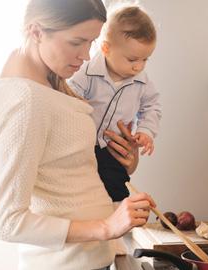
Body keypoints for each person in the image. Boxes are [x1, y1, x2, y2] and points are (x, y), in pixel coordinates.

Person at [0, 1, 155, 269]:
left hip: (87, 260)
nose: (86, 55)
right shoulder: (25, 100)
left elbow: (65, 175)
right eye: (77, 42)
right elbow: (9, 222)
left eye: (91, 42)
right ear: (37, 31)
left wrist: (126, 163)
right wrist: (105, 227)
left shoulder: (49, 82)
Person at [68, 5, 161, 254]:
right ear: (106, 48)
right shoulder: (86, 72)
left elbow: (152, 106)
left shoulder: (141, 81)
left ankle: (118, 234)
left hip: (112, 146)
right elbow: (68, 97)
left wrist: (147, 132)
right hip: (85, 144)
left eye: (145, 59)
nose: (139, 66)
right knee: (89, 186)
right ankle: (106, 227)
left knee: (117, 183)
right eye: (133, 59)